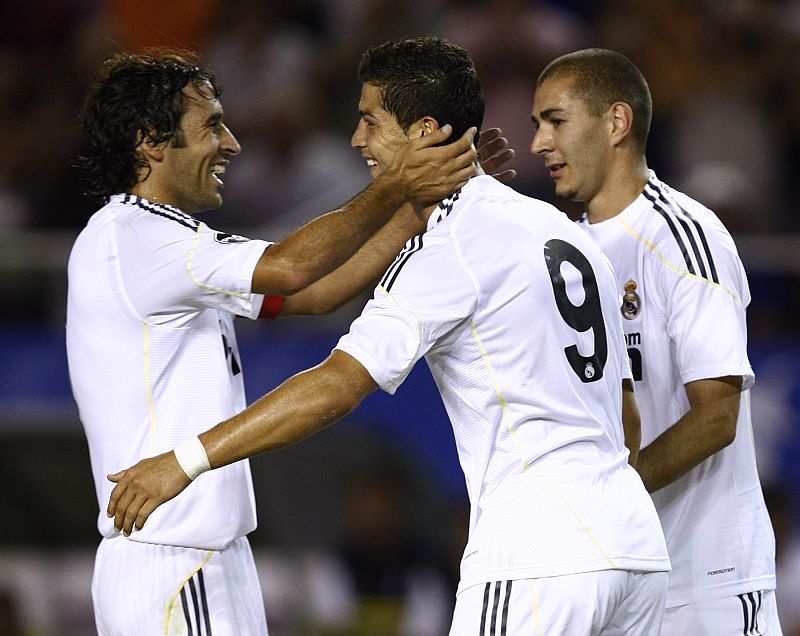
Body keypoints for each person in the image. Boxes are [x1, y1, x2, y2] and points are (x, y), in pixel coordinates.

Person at [105, 37, 670, 635]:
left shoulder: (451, 246)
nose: (357, 140)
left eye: (370, 121)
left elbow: (335, 388)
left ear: (424, 131)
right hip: (636, 548)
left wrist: (184, 461)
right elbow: (627, 413)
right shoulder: (568, 233)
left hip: (539, 556)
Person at [66, 48, 479, 635]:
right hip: (174, 560)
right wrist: (395, 188)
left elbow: (313, 293)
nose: (231, 143)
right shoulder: (134, 237)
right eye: (211, 125)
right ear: (151, 141)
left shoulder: (162, 245)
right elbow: (290, 268)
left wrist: (418, 208)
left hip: (201, 559)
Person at [530, 48, 780, 634]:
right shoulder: (561, 254)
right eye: (537, 124)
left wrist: (606, 499)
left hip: (706, 582)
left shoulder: (685, 237)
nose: (539, 142)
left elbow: (717, 417)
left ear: (616, 122)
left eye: (556, 121)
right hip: (614, 580)